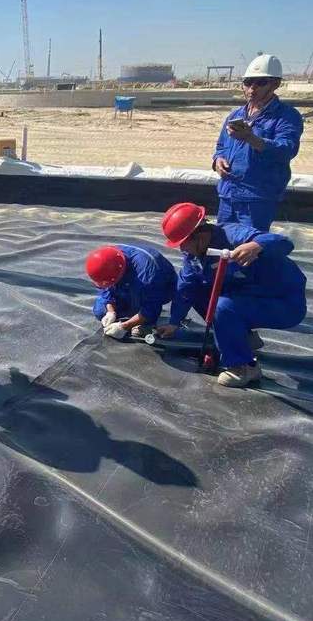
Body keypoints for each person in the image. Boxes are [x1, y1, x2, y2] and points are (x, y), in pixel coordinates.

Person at [156, 202, 307, 388]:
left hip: (284, 302)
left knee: (223, 306)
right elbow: (186, 286)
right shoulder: (195, 255)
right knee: (201, 292)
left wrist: (256, 245)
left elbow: (284, 243)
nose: (182, 249)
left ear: (200, 236)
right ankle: (241, 338)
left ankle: (243, 366)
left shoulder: (234, 236)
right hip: (247, 297)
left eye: (184, 243)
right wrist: (173, 321)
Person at [212, 54, 304, 230]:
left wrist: (251, 138)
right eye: (248, 82)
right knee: (222, 245)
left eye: (260, 83)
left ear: (275, 84)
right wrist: (218, 160)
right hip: (228, 195)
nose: (252, 89)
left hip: (256, 199)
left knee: (248, 250)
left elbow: (286, 149)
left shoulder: (286, 117)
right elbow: (221, 146)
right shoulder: (236, 115)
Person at [86, 244, 177, 339]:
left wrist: (124, 326)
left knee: (143, 306)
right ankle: (132, 316)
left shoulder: (146, 276)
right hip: (126, 282)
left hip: (161, 288)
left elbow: (150, 307)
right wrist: (110, 311)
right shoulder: (108, 256)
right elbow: (106, 289)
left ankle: (146, 323)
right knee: (100, 311)